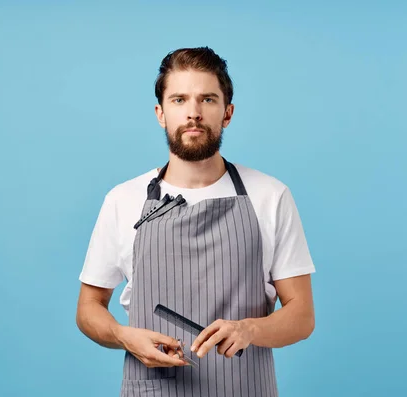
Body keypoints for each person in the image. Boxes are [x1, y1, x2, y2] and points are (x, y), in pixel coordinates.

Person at [76, 46, 316, 397]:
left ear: (227, 113)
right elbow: (88, 307)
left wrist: (248, 330)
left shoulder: (270, 196)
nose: (193, 113)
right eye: (179, 100)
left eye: (207, 99)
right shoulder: (123, 200)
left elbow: (302, 316)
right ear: (160, 113)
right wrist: (124, 336)